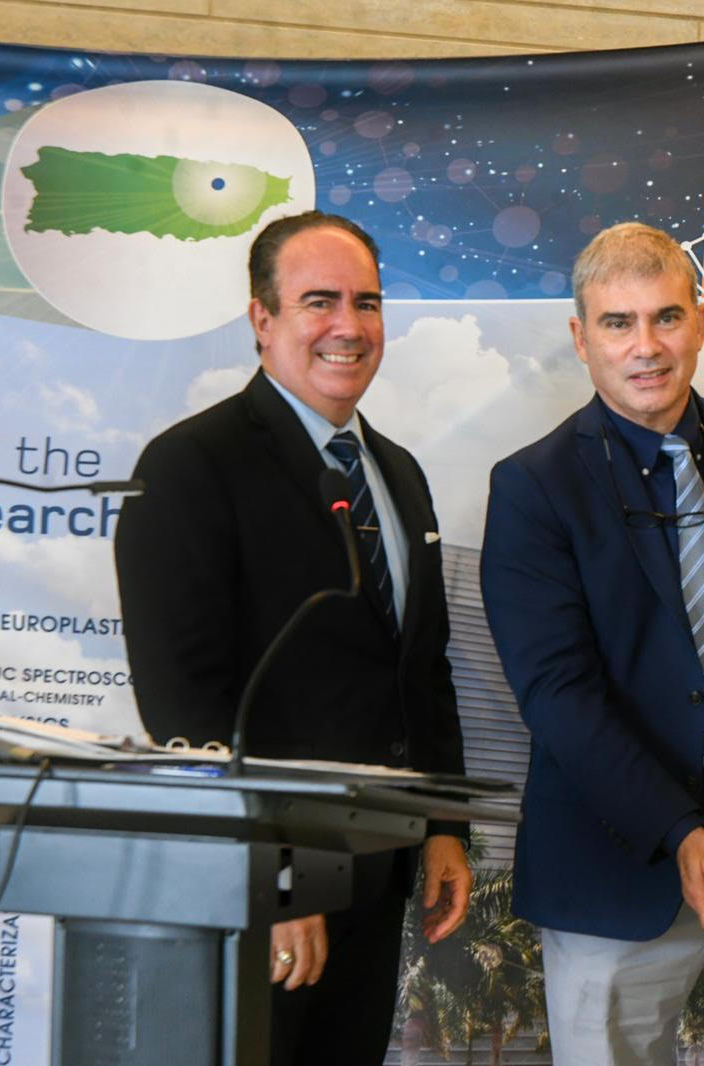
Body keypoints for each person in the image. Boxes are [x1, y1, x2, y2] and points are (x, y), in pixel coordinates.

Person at [480, 221, 704, 1064]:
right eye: (618, 323)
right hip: (613, 875)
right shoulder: (533, 487)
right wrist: (680, 829)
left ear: (701, 321)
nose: (647, 347)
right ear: (580, 337)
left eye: (667, 318)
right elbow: (557, 695)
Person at [114, 211, 471, 1066]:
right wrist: (271, 876)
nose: (349, 326)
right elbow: (181, 699)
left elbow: (417, 666)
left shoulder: (399, 472)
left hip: (378, 868)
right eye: (320, 301)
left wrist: (445, 824)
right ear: (261, 320)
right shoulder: (189, 467)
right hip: (265, 885)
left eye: (367, 302)